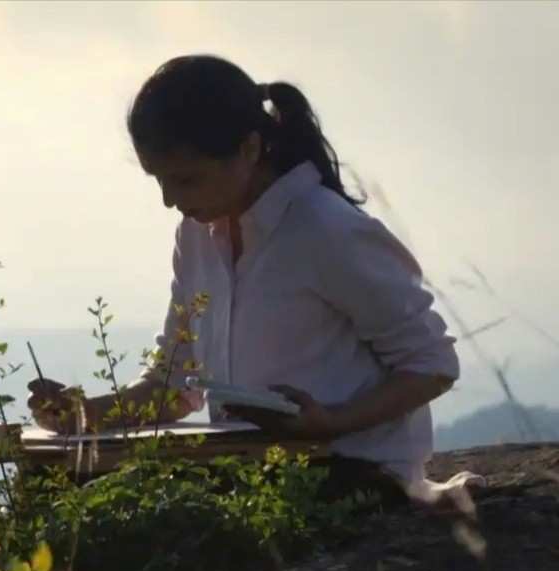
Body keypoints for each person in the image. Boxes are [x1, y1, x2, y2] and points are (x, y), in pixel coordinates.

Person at [26, 54, 462, 507]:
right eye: (159, 181)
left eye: (186, 179)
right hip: (252, 473)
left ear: (250, 150)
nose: (169, 200)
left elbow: (432, 363)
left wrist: (331, 421)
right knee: (53, 493)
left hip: (350, 473)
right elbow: (174, 386)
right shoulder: (196, 237)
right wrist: (82, 416)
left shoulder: (325, 229)